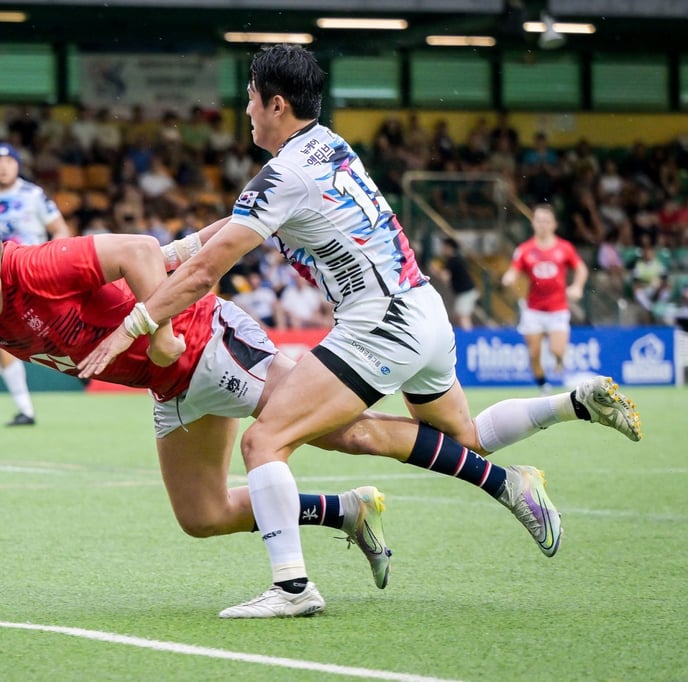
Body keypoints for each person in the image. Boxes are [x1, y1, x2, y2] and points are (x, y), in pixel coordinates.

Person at [77, 45, 642, 618]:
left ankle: (293, 587)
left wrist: (134, 324)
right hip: (424, 310)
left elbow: (205, 274)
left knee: (264, 441)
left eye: (250, 98)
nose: (245, 109)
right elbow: (236, 225)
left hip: (379, 325)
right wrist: (164, 252)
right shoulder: (328, 145)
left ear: (276, 104)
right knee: (463, 436)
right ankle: (574, 404)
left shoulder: (284, 174)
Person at [0, 206, 639, 621]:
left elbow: (141, 251)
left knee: (344, 430)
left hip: (209, 344)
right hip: (174, 387)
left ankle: (507, 486)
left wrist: (156, 337)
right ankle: (347, 514)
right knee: (203, 513)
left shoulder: (32, 266)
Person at [0, 142, 72, 426]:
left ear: (17, 165)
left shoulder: (34, 195)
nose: (3, 166)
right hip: (0, 281)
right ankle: (25, 409)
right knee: (2, 339)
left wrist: (57, 261)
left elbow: (60, 229)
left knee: (66, 327)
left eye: (9, 161)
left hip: (36, 272)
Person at [502, 204, 589, 391]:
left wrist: (577, 287)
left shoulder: (565, 248)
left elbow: (581, 268)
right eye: (539, 220)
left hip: (558, 309)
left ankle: (559, 360)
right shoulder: (525, 249)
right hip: (533, 309)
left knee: (557, 350)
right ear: (533, 223)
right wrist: (509, 277)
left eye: (546, 221)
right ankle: (543, 386)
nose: (542, 224)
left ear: (554, 224)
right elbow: (514, 270)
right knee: (534, 353)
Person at [430, 236, 478, 331]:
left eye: (443, 247)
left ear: (449, 248)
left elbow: (445, 277)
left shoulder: (453, 260)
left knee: (462, 315)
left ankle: (469, 336)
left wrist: (435, 271)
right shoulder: (456, 259)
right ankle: (468, 335)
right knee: (458, 315)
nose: (442, 249)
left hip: (466, 292)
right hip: (466, 292)